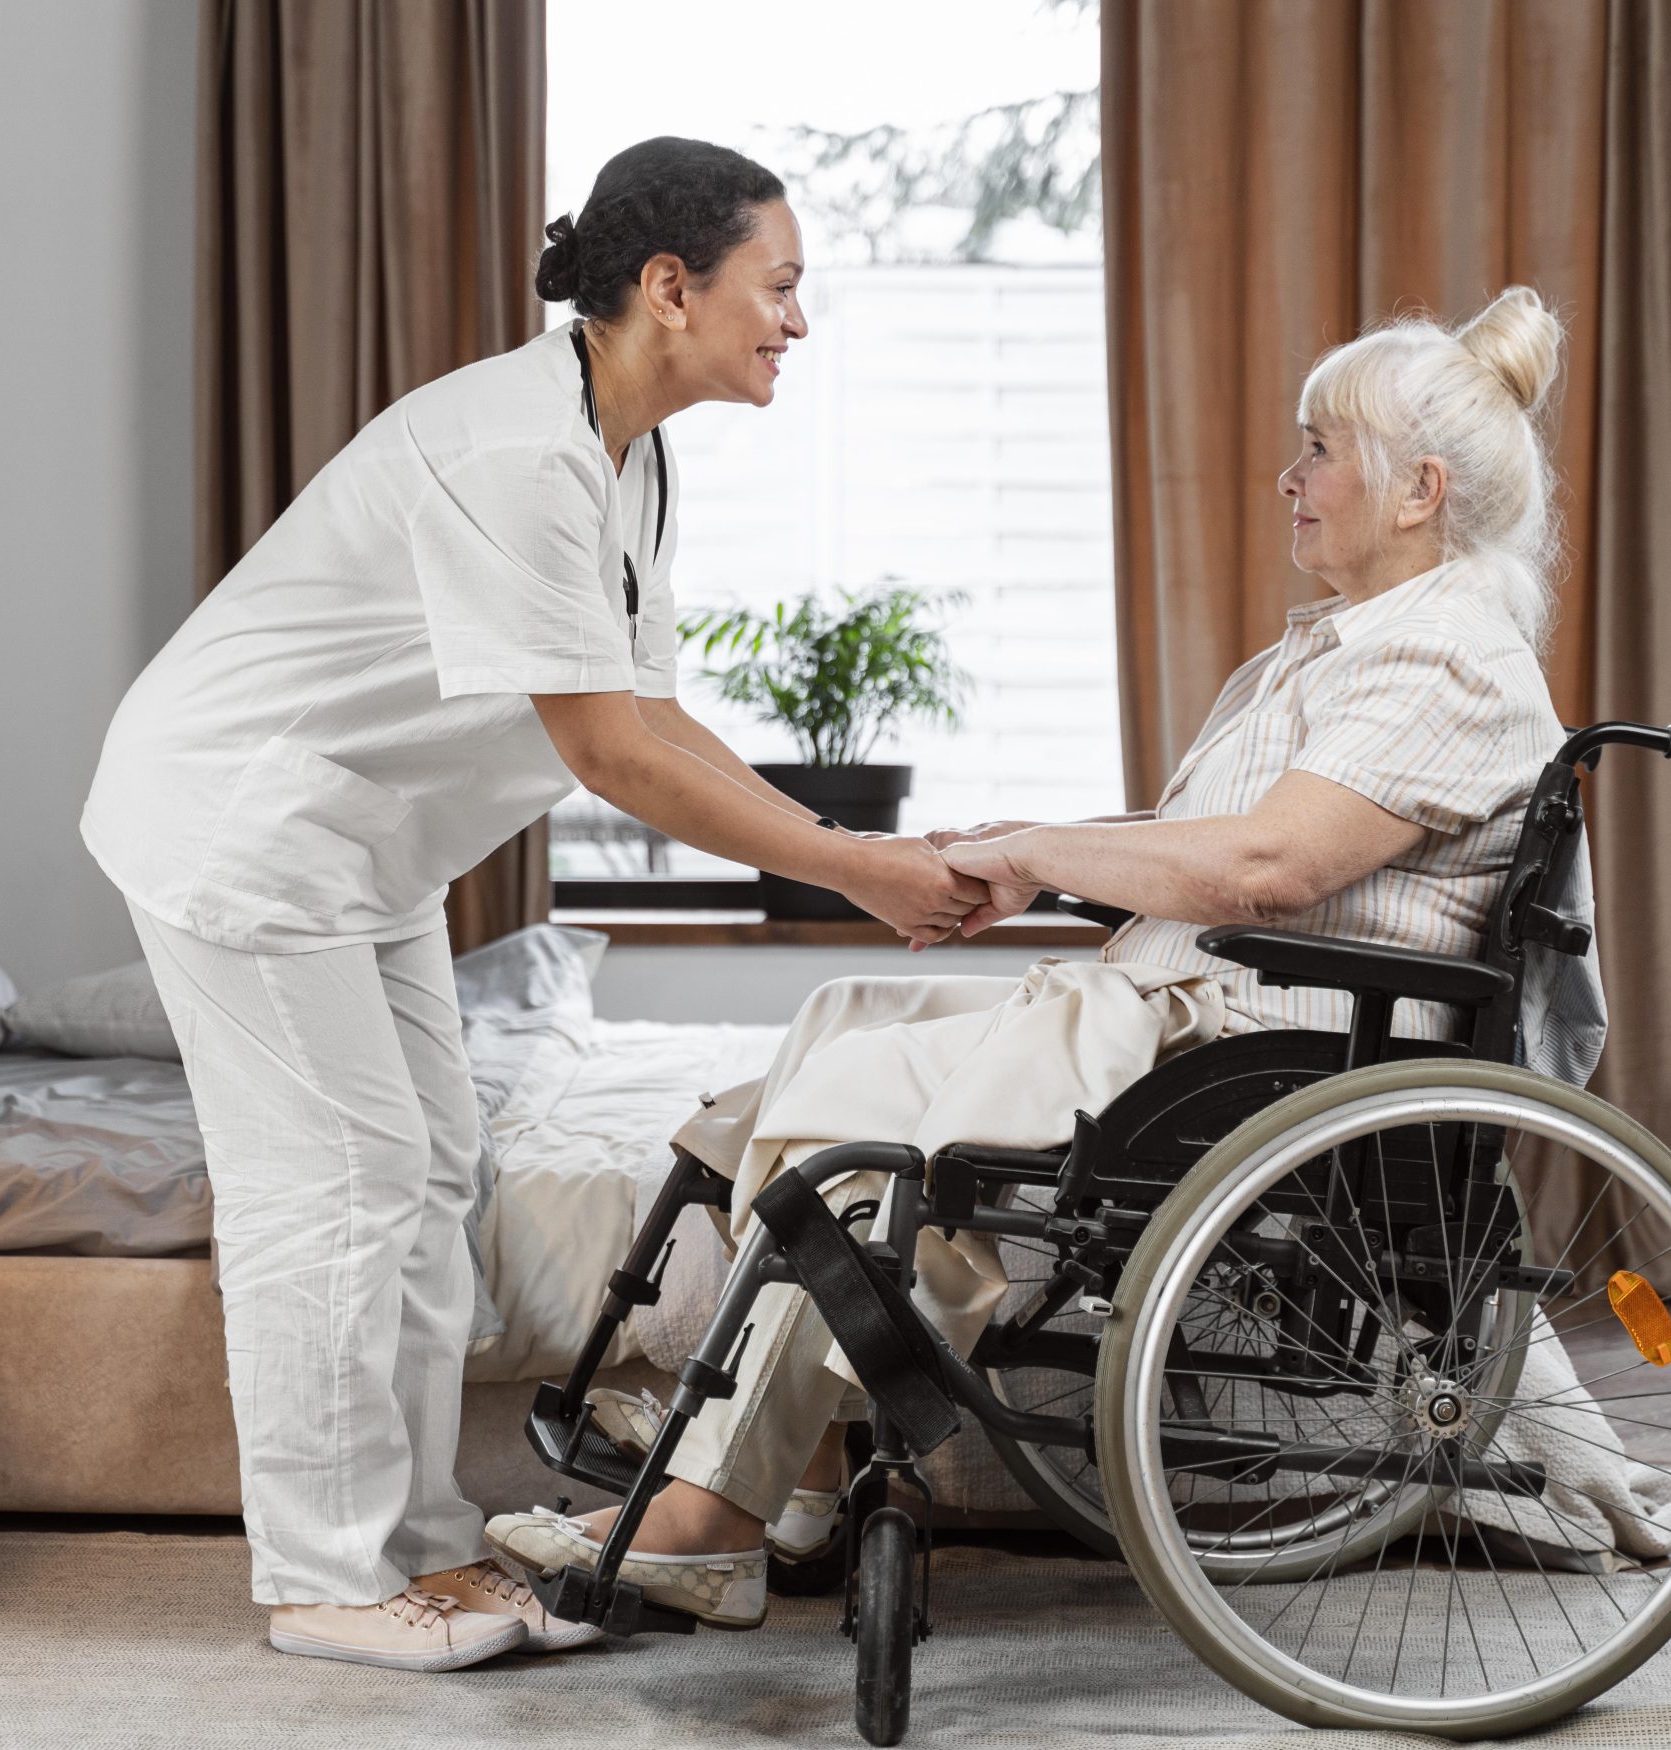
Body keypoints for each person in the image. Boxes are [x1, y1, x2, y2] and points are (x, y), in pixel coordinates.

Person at [485, 285, 1585, 1628]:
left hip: (1245, 1045)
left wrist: (1045, 854)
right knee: (839, 1022)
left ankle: (720, 1508)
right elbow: (1211, 840)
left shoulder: (1446, 661)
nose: (1289, 477)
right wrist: (1021, 843)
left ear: (1418, 492)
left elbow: (1265, 868)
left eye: (1319, 449)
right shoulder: (1360, 649)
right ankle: (797, 1460)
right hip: (1204, 1009)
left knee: (859, 1127)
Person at [80, 137, 990, 1673]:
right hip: (246, 822)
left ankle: (415, 1537)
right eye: (781, 289)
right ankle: (320, 1577)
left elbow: (656, 709)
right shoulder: (521, 451)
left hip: (362, 845)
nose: (797, 323)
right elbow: (610, 753)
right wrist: (863, 869)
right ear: (667, 287)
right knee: (341, 1175)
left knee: (435, 1163)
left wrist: (847, 844)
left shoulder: (628, 448)